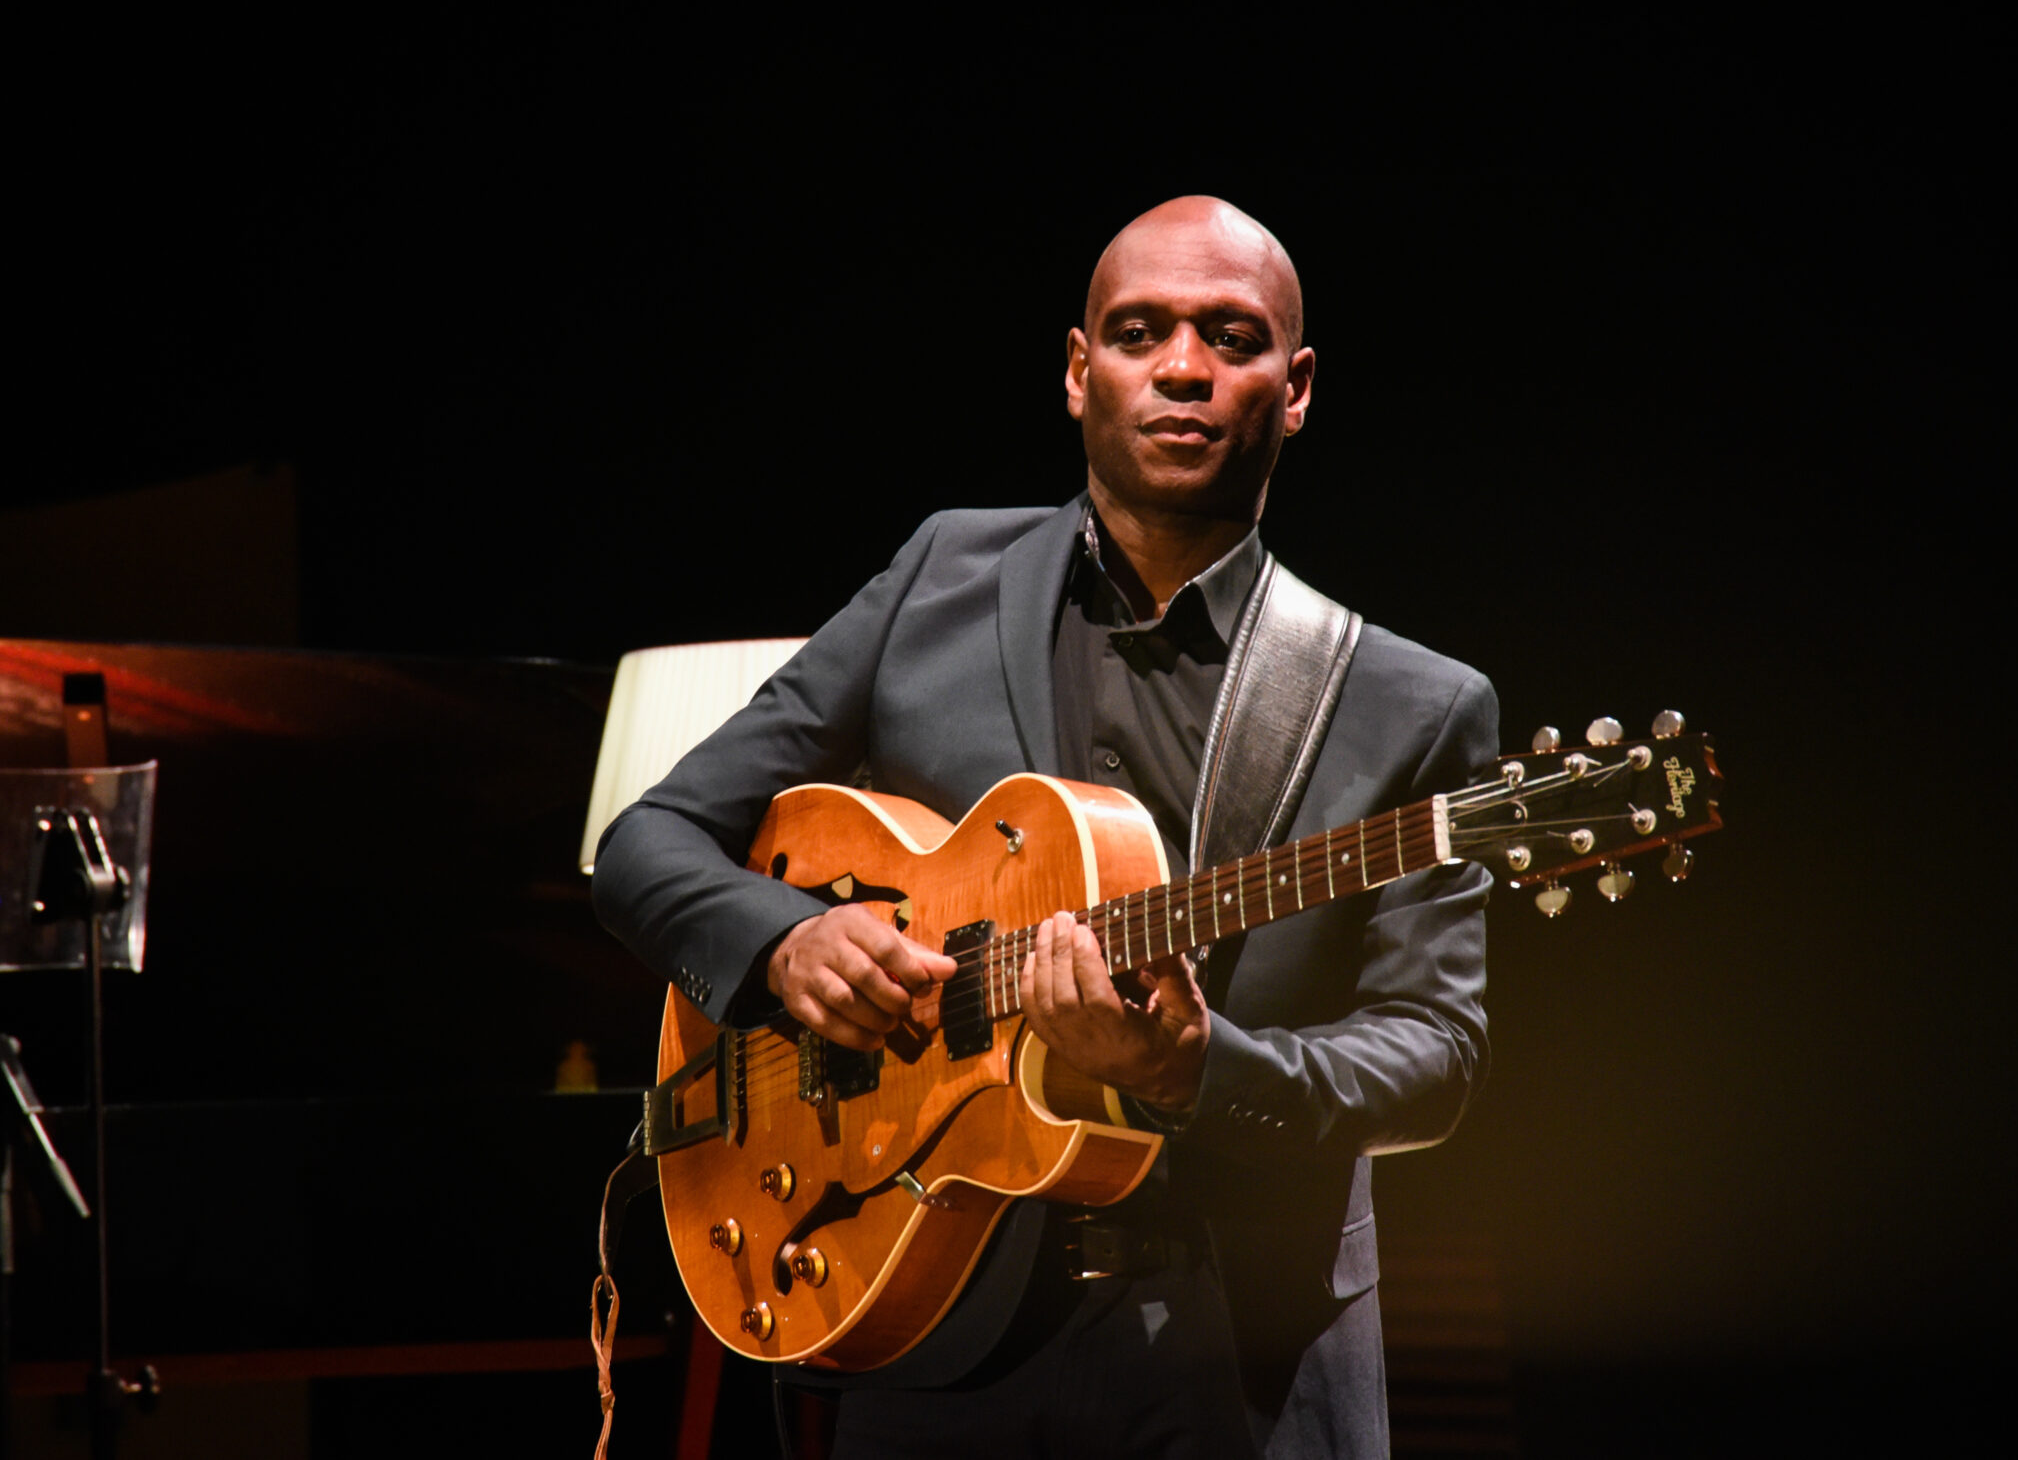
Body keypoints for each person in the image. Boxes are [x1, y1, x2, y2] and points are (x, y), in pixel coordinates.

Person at [593, 196, 1496, 1459]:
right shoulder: (935, 578)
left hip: (1247, 1358)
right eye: (1140, 331)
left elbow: (1433, 1055)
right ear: (1080, 373)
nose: (1183, 366)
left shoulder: (1413, 703)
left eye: (1230, 337)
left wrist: (1197, 1068)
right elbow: (651, 840)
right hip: (929, 1320)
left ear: (1293, 390)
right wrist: (784, 946)